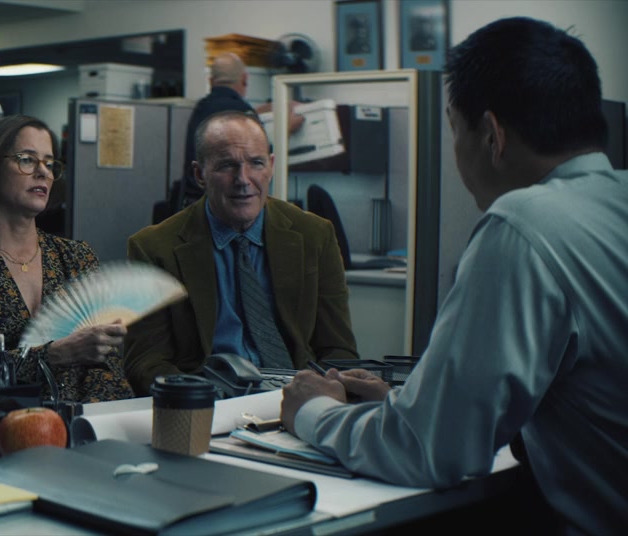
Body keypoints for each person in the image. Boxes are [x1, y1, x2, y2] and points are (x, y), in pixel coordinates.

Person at [280, 18, 627, 534]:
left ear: (491, 135)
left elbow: (425, 451)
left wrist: (313, 411)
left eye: (453, 131)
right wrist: (407, 404)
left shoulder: (522, 225)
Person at [124, 110, 358, 396]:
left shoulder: (314, 235)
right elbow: (145, 362)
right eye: (227, 166)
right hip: (207, 400)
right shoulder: (155, 248)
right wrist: (203, 402)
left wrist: (321, 398)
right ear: (199, 174)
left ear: (271, 166)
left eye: (256, 163)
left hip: (298, 395)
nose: (243, 179)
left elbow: (338, 349)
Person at [0, 115, 135, 403]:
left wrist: (87, 421)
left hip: (84, 422)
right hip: (2, 422)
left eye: (50, 164)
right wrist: (55, 354)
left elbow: (107, 366)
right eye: (27, 160)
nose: (43, 172)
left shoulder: (77, 258)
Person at [172, 53, 304, 217]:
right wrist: (287, 128)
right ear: (245, 79)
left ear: (211, 81)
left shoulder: (202, 107)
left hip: (194, 206)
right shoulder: (241, 111)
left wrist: (264, 109)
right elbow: (259, 158)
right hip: (224, 208)